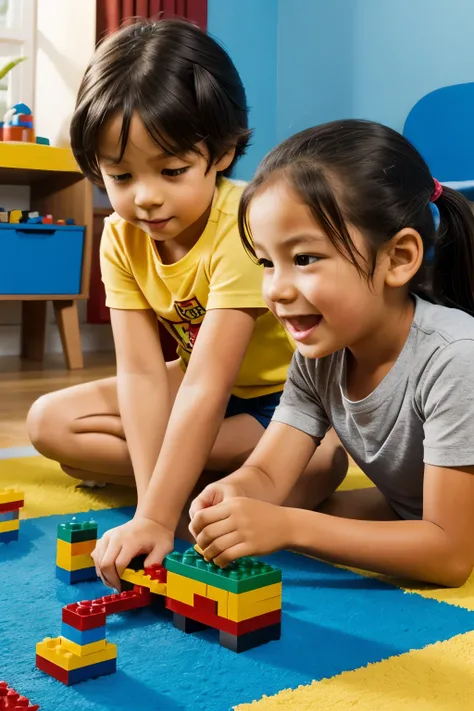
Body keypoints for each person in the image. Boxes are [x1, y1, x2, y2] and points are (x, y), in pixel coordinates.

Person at [27, 20, 345, 590]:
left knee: (314, 465)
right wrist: (157, 508)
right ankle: (202, 489)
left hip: (279, 404)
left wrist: (152, 513)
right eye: (119, 176)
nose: (145, 197)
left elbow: (207, 387)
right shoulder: (120, 236)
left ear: (221, 153)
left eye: (172, 171)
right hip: (196, 387)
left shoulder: (247, 222)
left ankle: (249, 479)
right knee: (51, 423)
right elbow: (143, 373)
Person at [189, 119, 474, 587]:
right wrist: (235, 491)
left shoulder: (455, 357)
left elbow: (450, 557)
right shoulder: (319, 355)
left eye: (304, 259)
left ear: (399, 258)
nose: (276, 289)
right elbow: (267, 471)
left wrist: (288, 526)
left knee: (300, 523)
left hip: (451, 534)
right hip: (415, 513)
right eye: (266, 262)